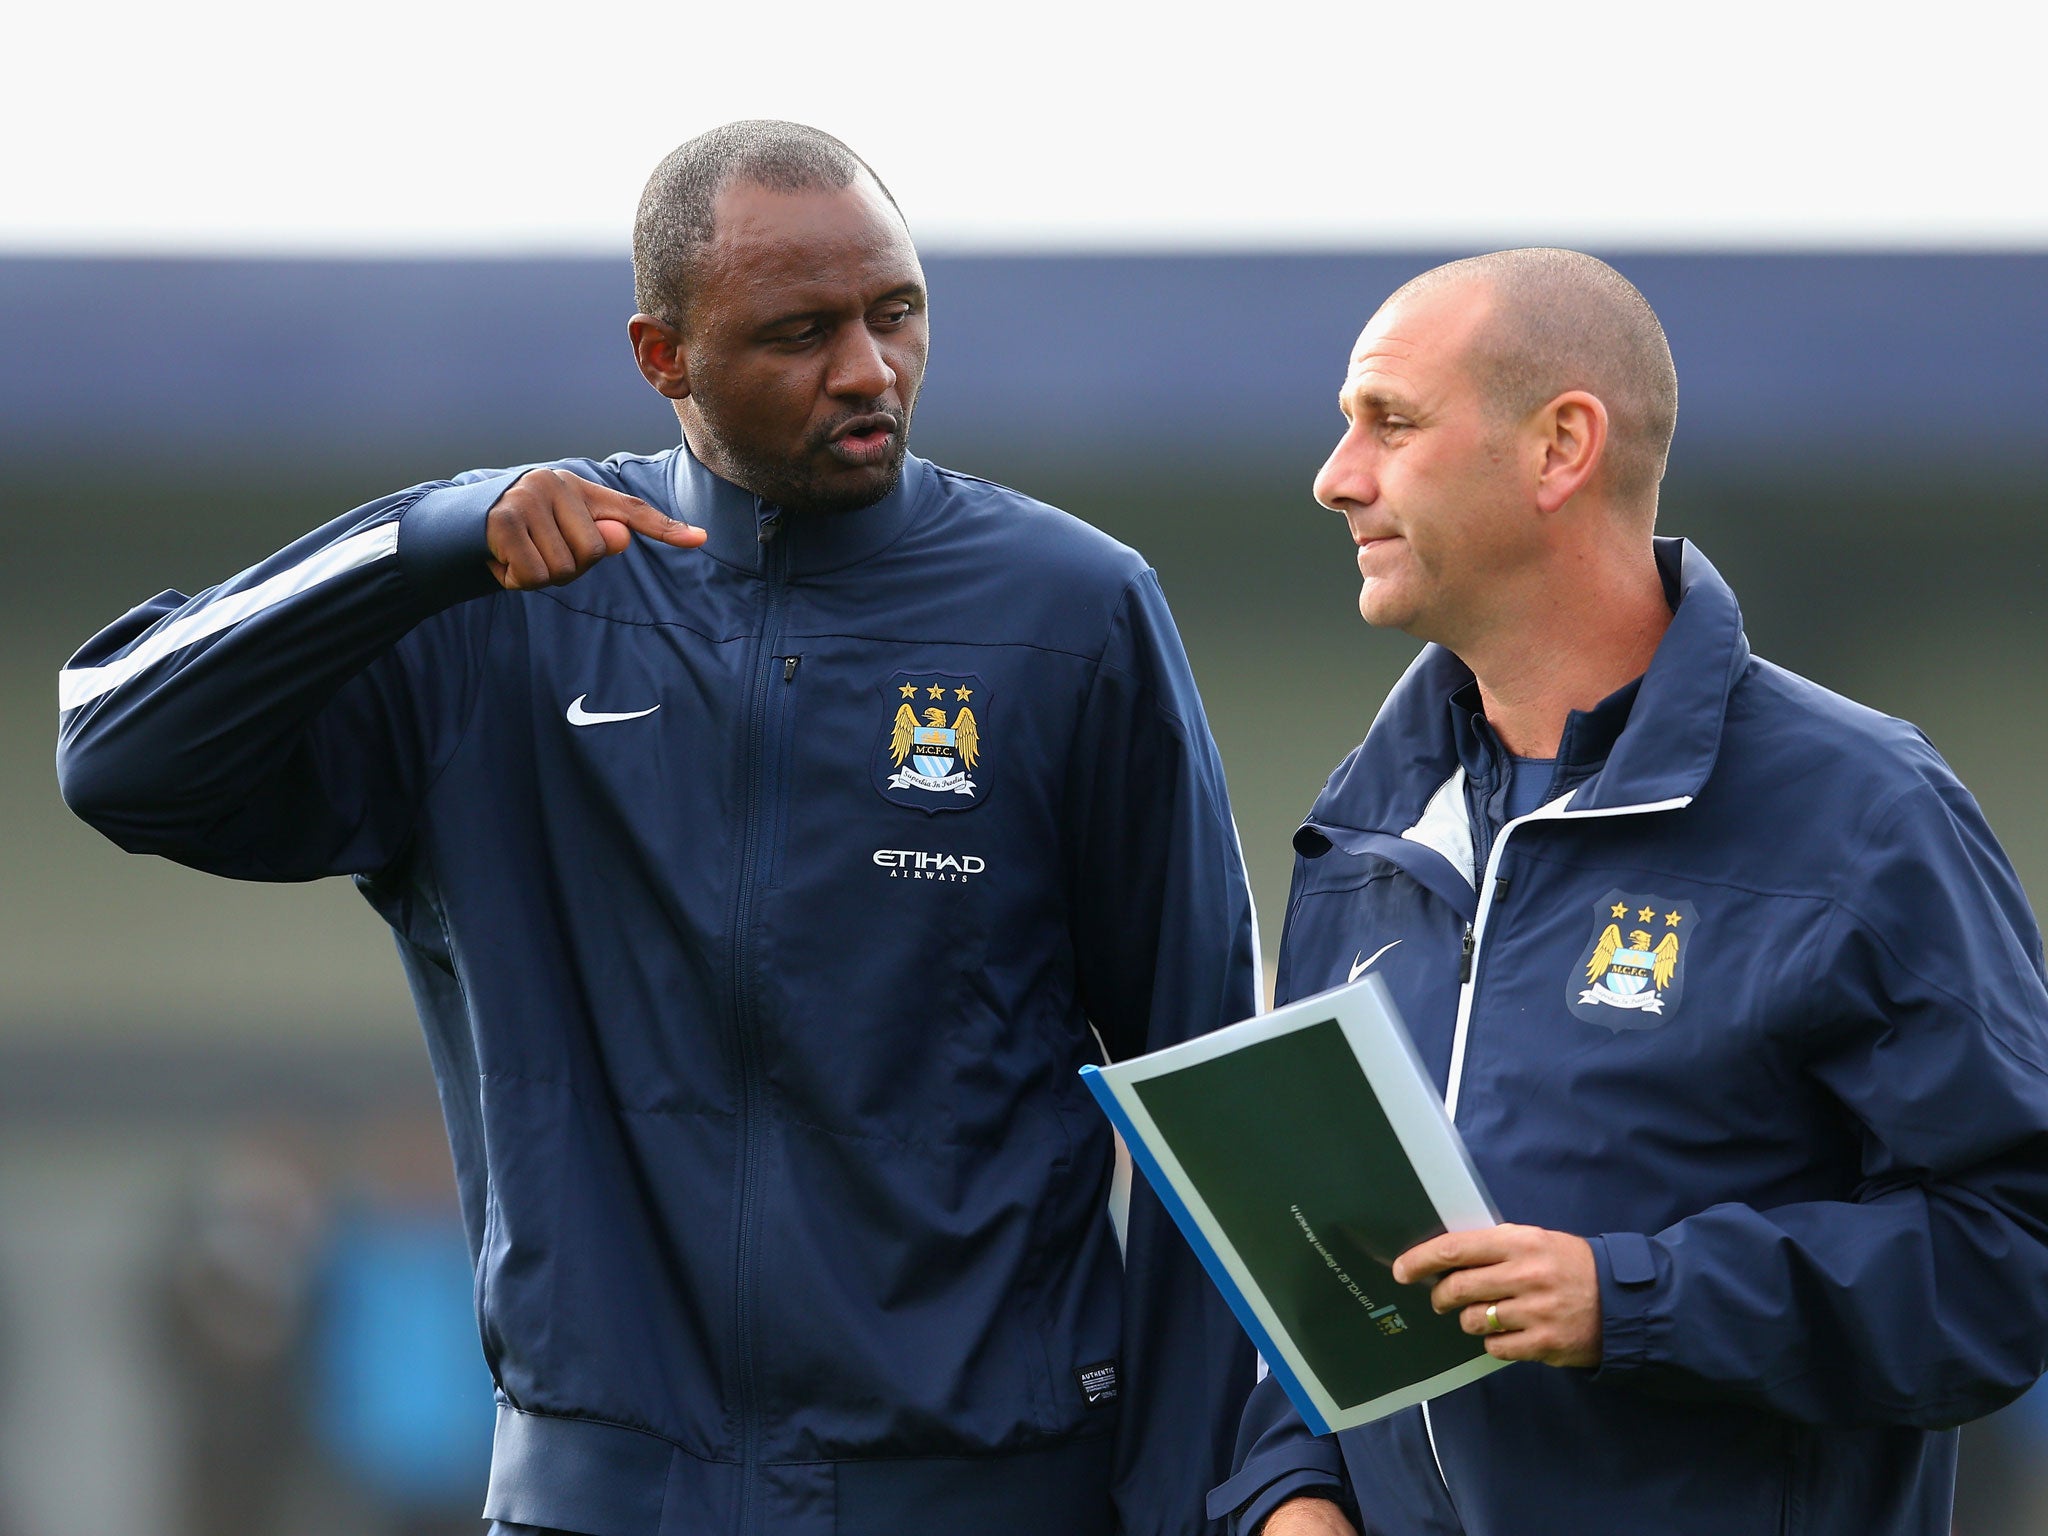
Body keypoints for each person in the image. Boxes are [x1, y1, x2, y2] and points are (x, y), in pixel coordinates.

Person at [57, 120, 1259, 1536]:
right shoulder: (497, 612)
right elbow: (117, 749)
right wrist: (428, 538)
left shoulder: (1072, 612)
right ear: (662, 357)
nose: (868, 370)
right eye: (801, 332)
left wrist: (1195, 1501)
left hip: (990, 1493)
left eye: (896, 311)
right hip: (602, 1498)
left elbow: (1210, 1081)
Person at [1209, 249, 2048, 1536]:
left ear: (1559, 449)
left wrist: (1632, 1298)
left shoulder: (1863, 810)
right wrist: (1291, 1492)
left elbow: (2010, 1259)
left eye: (1390, 421)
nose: (1338, 479)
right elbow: (1319, 1289)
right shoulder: (1364, 823)